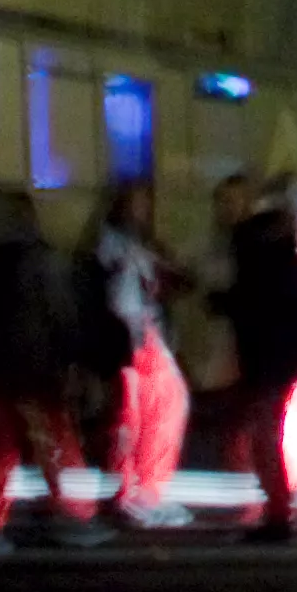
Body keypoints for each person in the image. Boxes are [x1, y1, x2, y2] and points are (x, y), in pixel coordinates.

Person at [0, 189, 105, 557]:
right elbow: (62, 318)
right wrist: (72, 364)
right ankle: (73, 516)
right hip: (34, 373)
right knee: (58, 446)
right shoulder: (42, 262)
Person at [219, 172, 297, 541]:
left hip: (269, 357)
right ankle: (276, 511)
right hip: (282, 355)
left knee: (264, 435)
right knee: (264, 434)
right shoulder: (279, 247)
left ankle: (278, 516)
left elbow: (256, 302)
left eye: (227, 203)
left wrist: (222, 303)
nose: (221, 212)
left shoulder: (253, 246)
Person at [89, 176, 193, 522]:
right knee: (136, 414)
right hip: (129, 336)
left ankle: (141, 488)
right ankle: (134, 490)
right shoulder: (112, 243)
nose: (143, 209)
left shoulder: (135, 243)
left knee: (155, 409)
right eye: (136, 202)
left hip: (142, 333)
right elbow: (116, 286)